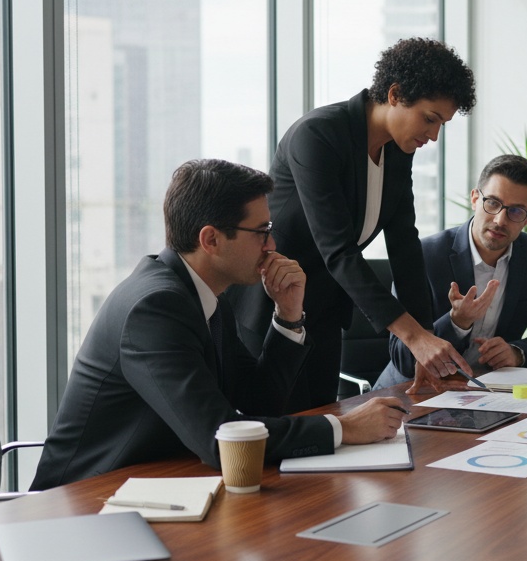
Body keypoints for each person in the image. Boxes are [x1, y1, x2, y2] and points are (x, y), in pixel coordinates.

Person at [32, 160, 404, 490]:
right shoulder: (155, 309)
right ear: (210, 239)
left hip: (158, 485)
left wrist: (288, 316)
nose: (273, 244)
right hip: (82, 504)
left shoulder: (203, 295)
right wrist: (344, 427)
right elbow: (219, 440)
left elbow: (257, 400)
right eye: (261, 231)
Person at [229, 38, 478, 409]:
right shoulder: (318, 135)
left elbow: (405, 245)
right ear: (395, 94)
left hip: (326, 308)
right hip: (274, 307)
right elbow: (338, 249)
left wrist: (424, 340)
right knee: (284, 433)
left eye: (442, 123)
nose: (435, 135)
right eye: (430, 118)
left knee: (325, 424)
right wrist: (412, 337)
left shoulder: (396, 150)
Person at [373, 155, 527, 388]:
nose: (499, 220)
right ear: (475, 198)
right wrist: (457, 322)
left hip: (490, 392)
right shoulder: (424, 256)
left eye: (515, 211)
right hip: (414, 392)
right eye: (492, 203)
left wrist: (517, 352)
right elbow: (403, 359)